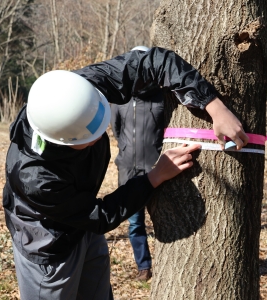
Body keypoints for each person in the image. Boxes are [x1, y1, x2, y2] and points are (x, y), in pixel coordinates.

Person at [3, 47, 248, 299]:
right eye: (89, 138)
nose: (99, 137)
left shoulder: (78, 89)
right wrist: (155, 177)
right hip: (48, 246)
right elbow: (98, 216)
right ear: (62, 141)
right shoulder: (35, 177)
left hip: (85, 227)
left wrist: (213, 105)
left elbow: (153, 61)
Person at [110, 45, 163, 281]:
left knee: (165, 218)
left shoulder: (162, 97)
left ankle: (167, 264)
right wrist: (125, 154)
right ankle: (144, 266)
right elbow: (117, 131)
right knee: (134, 223)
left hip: (158, 167)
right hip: (128, 169)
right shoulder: (120, 99)